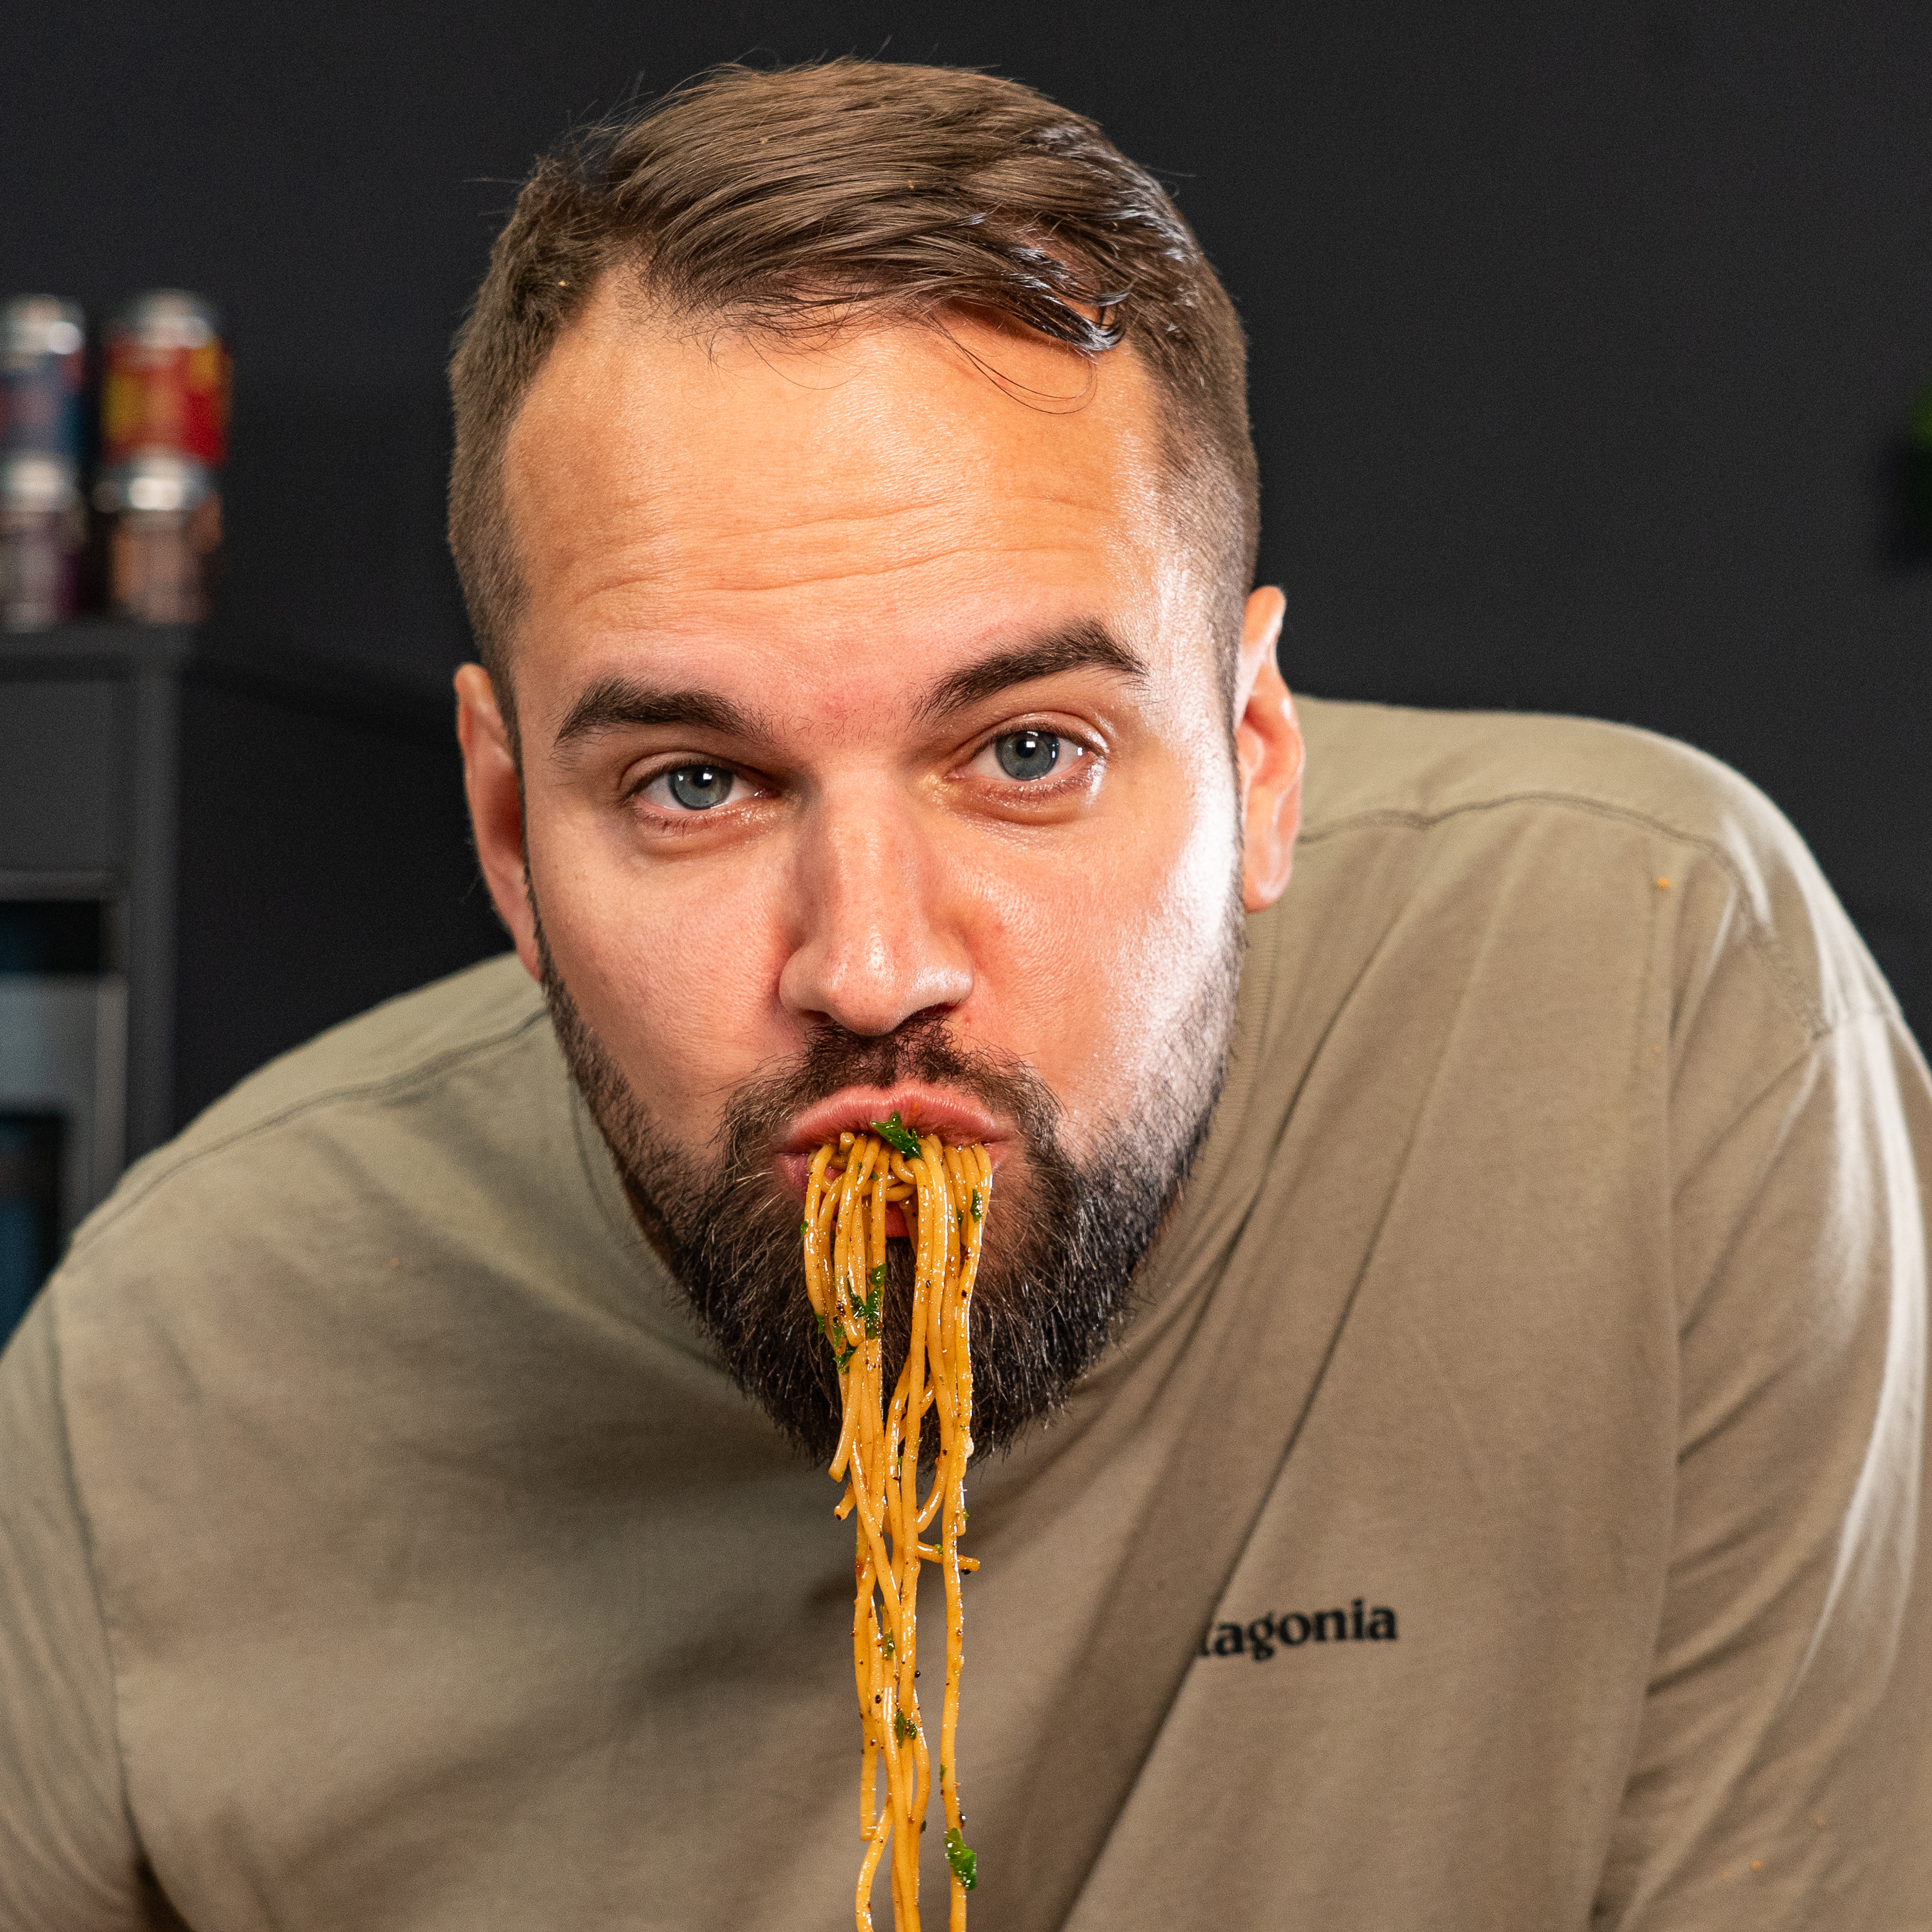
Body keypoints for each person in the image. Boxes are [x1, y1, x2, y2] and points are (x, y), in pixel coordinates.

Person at [1, 58, 1927, 1932]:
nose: (871, 970)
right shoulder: (161, 1378)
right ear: (508, 833)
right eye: (697, 783)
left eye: (1028, 755)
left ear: (1260, 761)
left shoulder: (1653, 995)